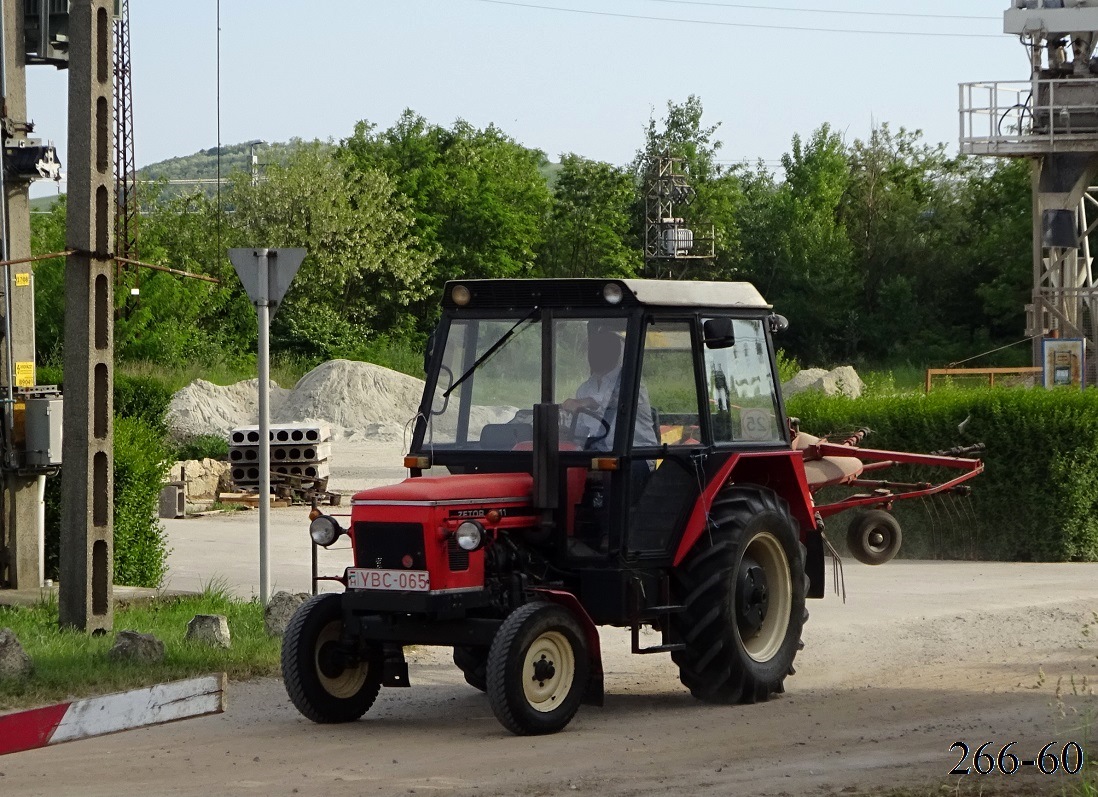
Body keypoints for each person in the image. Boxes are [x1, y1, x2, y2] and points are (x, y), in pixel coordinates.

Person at [561, 325, 658, 451]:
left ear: (615, 353)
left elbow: (611, 400)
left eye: (600, 350)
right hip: (600, 452)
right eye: (592, 350)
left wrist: (586, 402)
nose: (593, 355)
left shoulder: (631, 383)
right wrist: (564, 433)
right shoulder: (584, 389)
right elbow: (581, 432)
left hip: (636, 453)